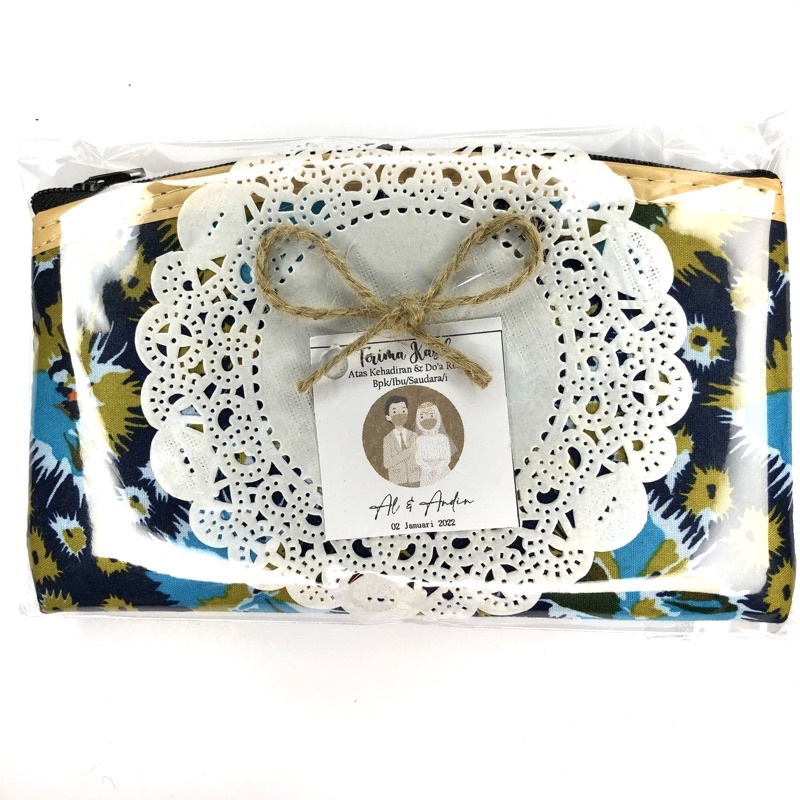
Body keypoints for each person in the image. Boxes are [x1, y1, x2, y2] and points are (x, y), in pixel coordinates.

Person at [414, 401, 456, 486]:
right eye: (422, 417)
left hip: (443, 471)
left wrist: (438, 469)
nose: (427, 420)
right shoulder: (420, 440)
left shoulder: (443, 438)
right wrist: (429, 469)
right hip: (426, 474)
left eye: (431, 415)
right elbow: (418, 459)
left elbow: (447, 457)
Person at [382, 395, 420, 487]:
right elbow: (387, 463)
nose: (400, 415)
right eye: (395, 412)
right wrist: (408, 452)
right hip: (397, 481)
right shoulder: (388, 439)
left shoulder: (414, 435)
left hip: (415, 478)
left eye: (403, 411)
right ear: (388, 417)